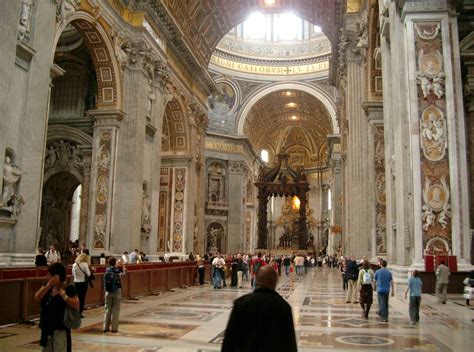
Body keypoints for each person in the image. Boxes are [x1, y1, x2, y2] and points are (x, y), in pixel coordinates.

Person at [222, 265, 297, 352]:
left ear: (256, 281)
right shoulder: (283, 307)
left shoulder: (241, 303)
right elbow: (289, 344)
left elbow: (229, 340)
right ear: (274, 282)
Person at [34, 262, 79, 352]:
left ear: (57, 276)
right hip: (46, 327)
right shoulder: (47, 286)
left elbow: (76, 305)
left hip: (60, 328)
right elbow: (36, 298)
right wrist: (49, 285)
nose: (47, 276)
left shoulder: (68, 288)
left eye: (49, 275)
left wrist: (65, 297)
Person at [103, 257, 126, 333]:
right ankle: (114, 328)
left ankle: (105, 327)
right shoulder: (118, 270)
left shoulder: (107, 270)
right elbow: (124, 272)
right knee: (116, 310)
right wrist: (122, 265)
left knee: (107, 309)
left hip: (108, 291)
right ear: (115, 262)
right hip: (117, 291)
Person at [72, 253, 91, 318]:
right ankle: (80, 312)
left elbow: (73, 274)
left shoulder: (74, 265)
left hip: (76, 283)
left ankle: (75, 311)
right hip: (83, 283)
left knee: (76, 298)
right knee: (82, 298)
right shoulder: (85, 264)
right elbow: (88, 274)